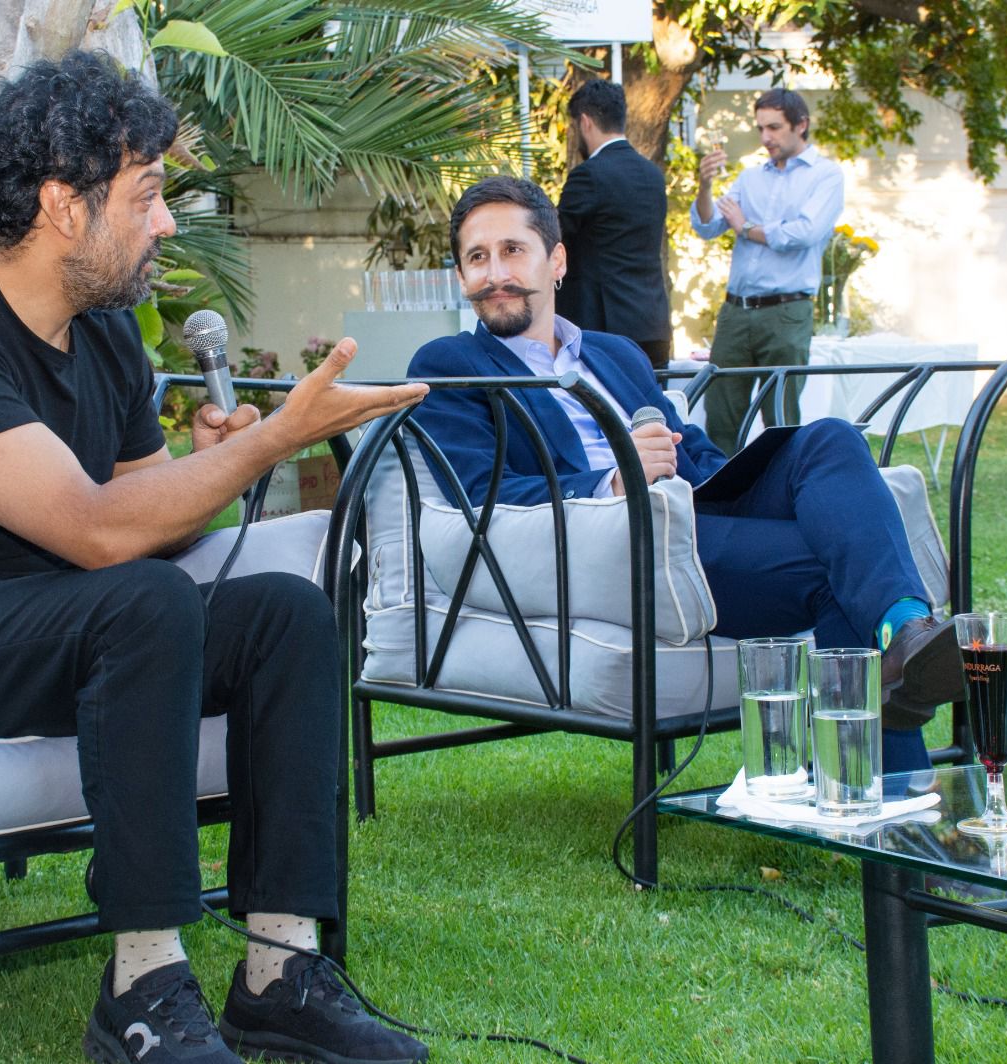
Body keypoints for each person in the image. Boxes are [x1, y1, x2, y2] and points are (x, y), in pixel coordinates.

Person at [0, 51, 429, 1064]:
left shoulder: (104, 337)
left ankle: (281, 972)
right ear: (64, 204)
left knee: (286, 611)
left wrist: (212, 466)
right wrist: (269, 441)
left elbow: (151, 524)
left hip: (72, 621)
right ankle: (140, 985)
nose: (166, 221)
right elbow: (98, 530)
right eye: (147, 195)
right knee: (139, 602)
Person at [407, 176, 964, 773]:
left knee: (831, 438)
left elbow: (686, 443)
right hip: (619, 541)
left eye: (512, 250)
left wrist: (762, 489)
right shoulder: (451, 365)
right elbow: (481, 492)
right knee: (834, 567)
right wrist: (612, 482)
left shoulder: (613, 352)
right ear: (462, 277)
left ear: (557, 260)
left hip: (696, 510)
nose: (496, 273)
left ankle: (907, 633)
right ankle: (899, 813)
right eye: (477, 258)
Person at [692, 88, 843, 455]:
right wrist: (706, 185)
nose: (765, 138)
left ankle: (780, 496)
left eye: (774, 128)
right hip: (736, 311)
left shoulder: (825, 176)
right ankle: (719, 498)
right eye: (761, 128)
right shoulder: (749, 177)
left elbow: (803, 233)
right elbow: (708, 227)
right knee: (721, 413)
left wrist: (746, 229)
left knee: (780, 416)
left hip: (787, 311)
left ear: (801, 125)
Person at [555, 79, 673, 369]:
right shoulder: (653, 175)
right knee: (651, 412)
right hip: (652, 322)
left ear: (585, 122)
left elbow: (554, 239)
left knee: (601, 414)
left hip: (604, 327)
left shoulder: (589, 176)